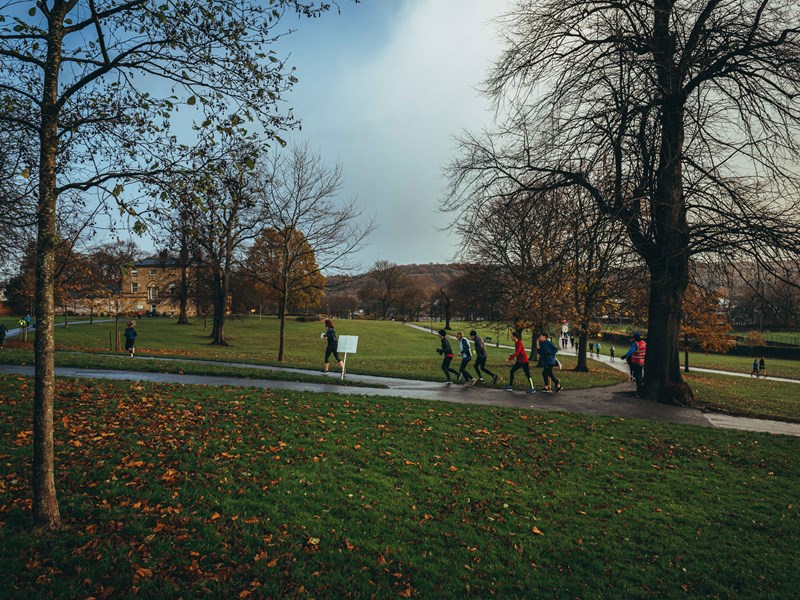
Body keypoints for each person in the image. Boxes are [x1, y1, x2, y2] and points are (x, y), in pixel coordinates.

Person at [622, 332, 646, 397]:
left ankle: (639, 392)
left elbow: (631, 351)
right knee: (640, 375)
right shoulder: (644, 343)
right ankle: (640, 390)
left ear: (635, 338)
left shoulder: (635, 344)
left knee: (638, 377)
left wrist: (625, 356)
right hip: (642, 362)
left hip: (636, 361)